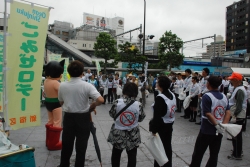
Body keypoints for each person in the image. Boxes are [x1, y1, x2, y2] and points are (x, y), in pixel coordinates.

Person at [57, 61, 104, 167]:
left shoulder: (62, 85)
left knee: (66, 145)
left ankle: (64, 165)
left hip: (68, 118)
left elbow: (60, 102)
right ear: (82, 73)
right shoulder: (87, 85)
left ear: (68, 72)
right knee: (81, 147)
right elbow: (100, 100)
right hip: (83, 118)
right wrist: (92, 105)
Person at [189, 76, 231, 167]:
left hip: (206, 129)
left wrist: (216, 125)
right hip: (219, 130)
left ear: (208, 84)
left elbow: (207, 113)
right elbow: (228, 112)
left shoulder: (207, 96)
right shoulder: (224, 96)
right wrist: (223, 125)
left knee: (198, 153)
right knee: (214, 154)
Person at [107, 82, 146, 167]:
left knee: (116, 154)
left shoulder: (117, 102)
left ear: (124, 90)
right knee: (132, 155)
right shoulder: (138, 104)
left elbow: (112, 114)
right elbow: (141, 117)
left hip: (118, 133)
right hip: (133, 133)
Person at [149, 76, 176, 167]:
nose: (156, 84)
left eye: (158, 83)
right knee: (167, 147)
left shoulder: (160, 97)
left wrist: (153, 130)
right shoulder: (172, 94)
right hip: (169, 125)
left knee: (159, 149)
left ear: (161, 85)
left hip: (161, 126)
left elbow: (157, 116)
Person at [43, 60, 65, 150]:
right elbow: (63, 91)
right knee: (57, 122)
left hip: (48, 103)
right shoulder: (56, 83)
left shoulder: (46, 81)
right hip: (56, 104)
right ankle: (54, 143)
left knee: (50, 121)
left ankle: (48, 141)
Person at [227, 72, 247, 160]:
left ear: (237, 80)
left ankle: (237, 154)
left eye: (232, 80)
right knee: (236, 135)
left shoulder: (240, 90)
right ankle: (237, 151)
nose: (231, 81)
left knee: (236, 135)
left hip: (238, 115)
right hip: (237, 114)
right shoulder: (238, 88)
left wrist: (234, 116)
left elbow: (239, 105)